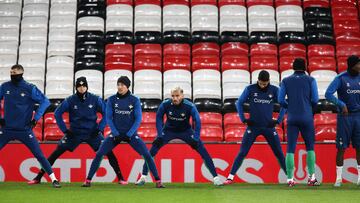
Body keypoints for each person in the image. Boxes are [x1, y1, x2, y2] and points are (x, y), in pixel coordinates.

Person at [28, 77, 127, 185]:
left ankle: (121, 178)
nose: (81, 88)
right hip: (74, 133)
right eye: (79, 86)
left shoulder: (95, 99)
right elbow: (57, 113)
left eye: (84, 86)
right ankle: (38, 177)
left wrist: (99, 129)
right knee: (56, 152)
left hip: (92, 133)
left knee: (108, 151)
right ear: (76, 87)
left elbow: (107, 113)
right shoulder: (70, 100)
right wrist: (65, 130)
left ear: (87, 87)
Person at [82, 76, 164, 188]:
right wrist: (115, 133)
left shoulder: (134, 100)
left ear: (127, 86)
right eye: (118, 84)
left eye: (122, 85)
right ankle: (88, 180)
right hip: (115, 134)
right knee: (99, 154)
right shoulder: (111, 99)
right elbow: (109, 118)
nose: (120, 87)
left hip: (130, 134)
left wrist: (130, 134)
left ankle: (158, 181)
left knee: (147, 155)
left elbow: (138, 119)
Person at [136, 87, 223, 186]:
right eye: (173, 96)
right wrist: (160, 134)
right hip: (168, 130)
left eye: (177, 96)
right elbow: (159, 117)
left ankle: (216, 178)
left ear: (182, 95)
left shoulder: (189, 106)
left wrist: (196, 137)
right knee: (152, 151)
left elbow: (197, 121)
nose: (175, 98)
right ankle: (143, 177)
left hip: (185, 131)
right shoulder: (165, 104)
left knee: (203, 151)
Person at [0, 64, 60, 188]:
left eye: (15, 73)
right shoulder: (4, 86)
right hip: (7, 129)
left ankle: (54, 179)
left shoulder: (29, 88)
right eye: (11, 72)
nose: (12, 75)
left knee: (39, 155)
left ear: (21, 73)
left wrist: (36, 119)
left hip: (24, 129)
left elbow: (45, 101)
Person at [224, 70, 287, 184]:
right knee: (242, 152)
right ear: (257, 80)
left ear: (268, 81)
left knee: (278, 152)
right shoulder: (250, 89)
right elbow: (239, 103)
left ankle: (290, 178)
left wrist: (278, 120)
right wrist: (243, 119)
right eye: (261, 83)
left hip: (268, 127)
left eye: (265, 83)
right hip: (253, 127)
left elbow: (284, 105)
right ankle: (230, 177)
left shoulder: (274, 90)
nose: (263, 85)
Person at [278, 58, 320, 187]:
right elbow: (316, 99)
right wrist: (308, 106)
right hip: (307, 117)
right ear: (305, 67)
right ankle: (311, 177)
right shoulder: (311, 80)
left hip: (292, 118)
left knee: (290, 149)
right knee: (310, 147)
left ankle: (290, 179)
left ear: (293, 67)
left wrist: (289, 106)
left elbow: (280, 100)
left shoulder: (285, 80)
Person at [325, 55, 360, 187]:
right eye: (358, 64)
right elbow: (328, 93)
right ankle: (338, 180)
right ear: (352, 65)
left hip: (358, 117)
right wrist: (340, 104)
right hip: (345, 117)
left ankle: (359, 179)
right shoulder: (340, 78)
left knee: (359, 147)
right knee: (341, 148)